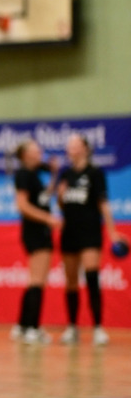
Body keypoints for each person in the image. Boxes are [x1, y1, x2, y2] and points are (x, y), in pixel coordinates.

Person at [56, 133, 127, 346]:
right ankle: (72, 327)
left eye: (76, 145)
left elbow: (103, 204)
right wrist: (60, 196)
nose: (71, 149)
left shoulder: (95, 173)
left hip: (90, 232)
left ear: (85, 149)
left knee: (92, 276)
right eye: (69, 145)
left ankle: (97, 327)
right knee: (70, 282)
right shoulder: (65, 174)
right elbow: (62, 206)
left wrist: (113, 231)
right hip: (69, 232)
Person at [10, 140, 60, 345]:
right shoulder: (23, 174)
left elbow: (43, 198)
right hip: (36, 233)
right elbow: (22, 205)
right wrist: (48, 219)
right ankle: (33, 328)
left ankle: (22, 326)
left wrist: (55, 175)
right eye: (35, 150)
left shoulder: (34, 175)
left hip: (39, 232)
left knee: (34, 279)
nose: (40, 152)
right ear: (25, 155)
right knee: (37, 280)